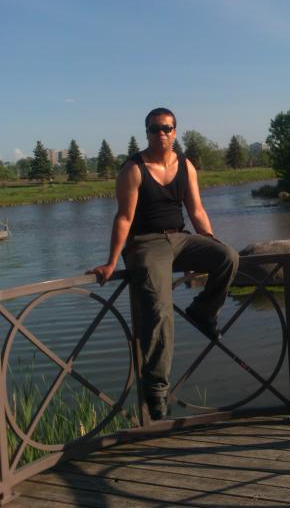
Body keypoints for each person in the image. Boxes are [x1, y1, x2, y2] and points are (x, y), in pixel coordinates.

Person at [91, 108, 239, 420]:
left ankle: (203, 311)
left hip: (180, 238)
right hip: (146, 243)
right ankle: (156, 388)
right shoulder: (133, 169)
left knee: (228, 256)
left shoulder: (185, 165)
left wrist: (209, 240)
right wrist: (111, 262)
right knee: (159, 309)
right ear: (146, 132)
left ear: (175, 132)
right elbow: (124, 218)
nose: (161, 133)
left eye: (167, 128)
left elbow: (196, 210)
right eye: (155, 128)